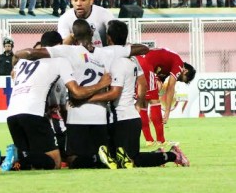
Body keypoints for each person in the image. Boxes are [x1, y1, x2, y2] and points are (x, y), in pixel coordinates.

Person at [15, 19, 150, 169]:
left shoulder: (67, 51)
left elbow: (31, 53)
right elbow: (144, 48)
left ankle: (95, 158)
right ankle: (100, 157)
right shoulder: (107, 52)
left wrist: (15, 55)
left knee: (73, 159)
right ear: (92, 33)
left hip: (77, 113)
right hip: (100, 115)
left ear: (74, 36)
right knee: (99, 156)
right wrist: (124, 48)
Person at [0, 31, 112, 172]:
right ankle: (17, 156)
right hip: (34, 112)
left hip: (12, 114)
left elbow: (15, 62)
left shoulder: (23, 61)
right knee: (54, 162)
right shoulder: (59, 61)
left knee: (30, 163)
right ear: (58, 46)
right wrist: (102, 84)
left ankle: (0, 161)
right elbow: (77, 91)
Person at [86, 21, 190, 168]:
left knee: (130, 161)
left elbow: (115, 93)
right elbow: (142, 83)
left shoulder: (107, 55)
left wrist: (89, 99)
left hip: (122, 119)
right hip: (128, 117)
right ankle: (160, 151)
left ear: (108, 38)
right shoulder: (132, 58)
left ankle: (173, 155)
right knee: (120, 160)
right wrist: (138, 103)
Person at [136, 48, 196, 146]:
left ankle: (149, 140)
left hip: (139, 62)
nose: (179, 80)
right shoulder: (179, 64)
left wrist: (158, 81)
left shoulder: (168, 65)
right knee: (154, 101)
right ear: (185, 71)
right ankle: (161, 140)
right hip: (146, 65)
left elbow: (160, 79)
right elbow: (170, 87)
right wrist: (167, 111)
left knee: (144, 102)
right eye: (183, 79)